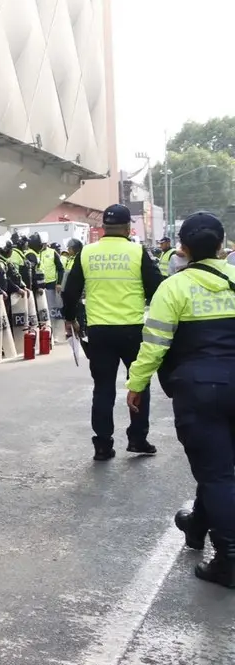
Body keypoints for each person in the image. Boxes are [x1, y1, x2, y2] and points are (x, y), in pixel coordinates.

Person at [126, 212, 235, 587]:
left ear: (183, 249)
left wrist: (136, 385)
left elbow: (153, 347)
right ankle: (197, 524)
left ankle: (229, 557)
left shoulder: (173, 289)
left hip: (199, 391)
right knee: (218, 469)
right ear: (222, 245)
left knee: (216, 471)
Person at [61, 203, 164, 461]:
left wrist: (69, 318)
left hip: (99, 332)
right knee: (139, 384)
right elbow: (156, 290)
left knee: (103, 388)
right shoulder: (137, 252)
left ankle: (103, 445)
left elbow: (70, 290)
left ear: (103, 228)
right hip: (132, 330)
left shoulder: (87, 253)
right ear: (128, 227)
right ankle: (138, 438)